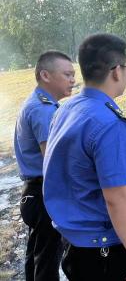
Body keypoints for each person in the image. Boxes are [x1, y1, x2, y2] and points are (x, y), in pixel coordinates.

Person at [43, 34, 126, 281]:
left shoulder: (67, 108)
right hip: (100, 248)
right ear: (116, 71)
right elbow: (117, 198)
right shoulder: (110, 124)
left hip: (72, 239)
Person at [14, 51, 76, 281]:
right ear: (45, 75)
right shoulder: (43, 109)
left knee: (37, 254)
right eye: (67, 74)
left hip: (34, 191)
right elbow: (53, 160)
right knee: (47, 261)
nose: (73, 80)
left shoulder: (38, 102)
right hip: (44, 194)